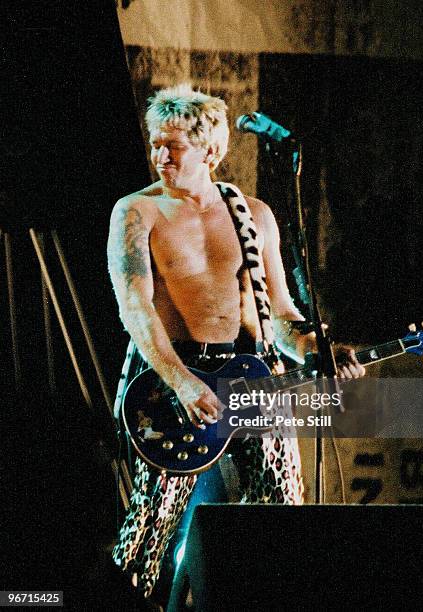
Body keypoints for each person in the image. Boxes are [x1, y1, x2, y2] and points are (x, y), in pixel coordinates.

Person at [107, 83, 365, 599]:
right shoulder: (137, 212)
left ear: (210, 150)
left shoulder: (255, 216)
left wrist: (318, 350)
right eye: (156, 143)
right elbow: (134, 309)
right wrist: (180, 383)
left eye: (173, 146)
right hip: (171, 381)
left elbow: (281, 315)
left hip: (249, 377)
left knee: (278, 517)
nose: (160, 155)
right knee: (147, 534)